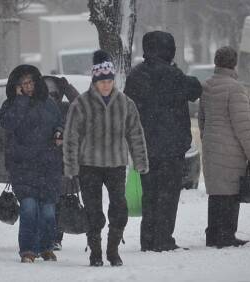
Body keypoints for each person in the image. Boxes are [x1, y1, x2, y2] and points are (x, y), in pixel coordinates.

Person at [63, 50, 149, 267]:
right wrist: (71, 167)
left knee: (119, 208)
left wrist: (140, 161)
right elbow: (71, 137)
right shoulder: (81, 104)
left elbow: (135, 133)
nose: (106, 85)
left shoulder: (125, 103)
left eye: (110, 81)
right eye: (102, 81)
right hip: (88, 165)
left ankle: (112, 250)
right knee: (93, 211)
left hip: (116, 164)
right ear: (94, 81)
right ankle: (95, 252)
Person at [124, 31, 202, 252]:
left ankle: (147, 239)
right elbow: (195, 89)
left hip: (146, 146)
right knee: (168, 195)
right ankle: (163, 238)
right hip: (171, 147)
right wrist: (175, 70)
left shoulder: (136, 75)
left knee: (150, 194)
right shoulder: (173, 75)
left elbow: (128, 106)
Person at [0, 65, 63, 263]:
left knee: (48, 211)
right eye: (23, 84)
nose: (27, 86)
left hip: (48, 164)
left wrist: (59, 133)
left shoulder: (49, 103)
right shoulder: (10, 105)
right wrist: (20, 101)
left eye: (30, 82)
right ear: (16, 86)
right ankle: (27, 249)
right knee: (28, 207)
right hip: (22, 164)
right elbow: (9, 124)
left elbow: (60, 122)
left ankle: (46, 247)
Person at [198, 46, 250, 248]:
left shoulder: (206, 86)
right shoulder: (235, 88)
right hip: (231, 150)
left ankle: (213, 234)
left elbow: (202, 120)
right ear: (234, 63)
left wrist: (209, 139)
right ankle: (226, 234)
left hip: (211, 148)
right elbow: (243, 126)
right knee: (231, 194)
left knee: (216, 194)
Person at [44, 76, 80, 251]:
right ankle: (45, 235)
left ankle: (56, 237)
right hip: (41, 162)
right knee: (45, 201)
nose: (51, 96)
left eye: (54, 93)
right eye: (47, 92)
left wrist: (67, 88)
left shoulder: (66, 109)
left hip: (62, 162)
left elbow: (81, 103)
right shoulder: (36, 108)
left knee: (60, 201)